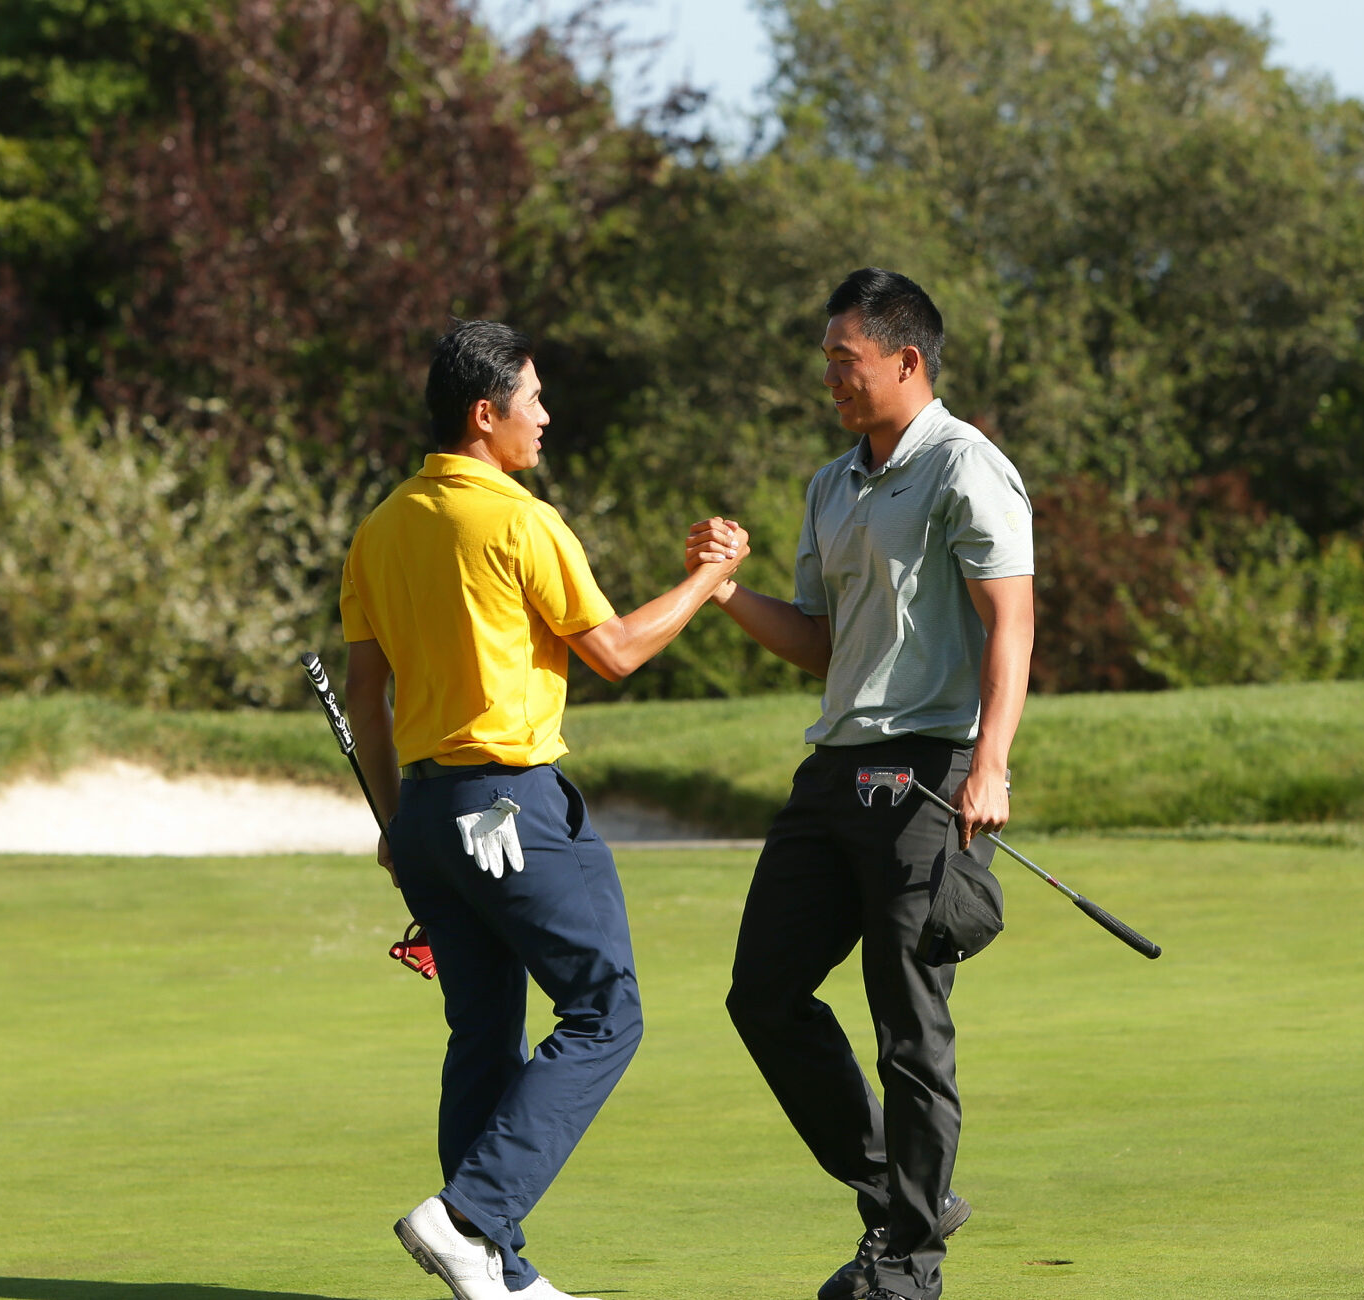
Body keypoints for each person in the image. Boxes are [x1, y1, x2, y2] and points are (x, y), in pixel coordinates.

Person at [343, 319, 745, 1300]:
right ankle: (471, 1216)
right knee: (607, 1008)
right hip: (509, 806)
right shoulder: (519, 519)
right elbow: (612, 651)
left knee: (483, 1031)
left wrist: (396, 823)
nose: (546, 416)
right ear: (486, 417)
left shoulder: (383, 525)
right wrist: (707, 578)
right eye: (533, 399)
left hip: (432, 813)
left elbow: (367, 696)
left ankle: (501, 1277)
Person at [690, 268, 1034, 1300]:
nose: (833, 381)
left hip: (929, 775)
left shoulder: (967, 468)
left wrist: (992, 765)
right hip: (836, 770)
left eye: (848, 362)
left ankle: (909, 1261)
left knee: (908, 1025)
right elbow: (822, 643)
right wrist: (724, 592)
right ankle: (901, 1190)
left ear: (906, 360)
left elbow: (1010, 621)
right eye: (829, 363)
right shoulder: (830, 483)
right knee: (763, 993)